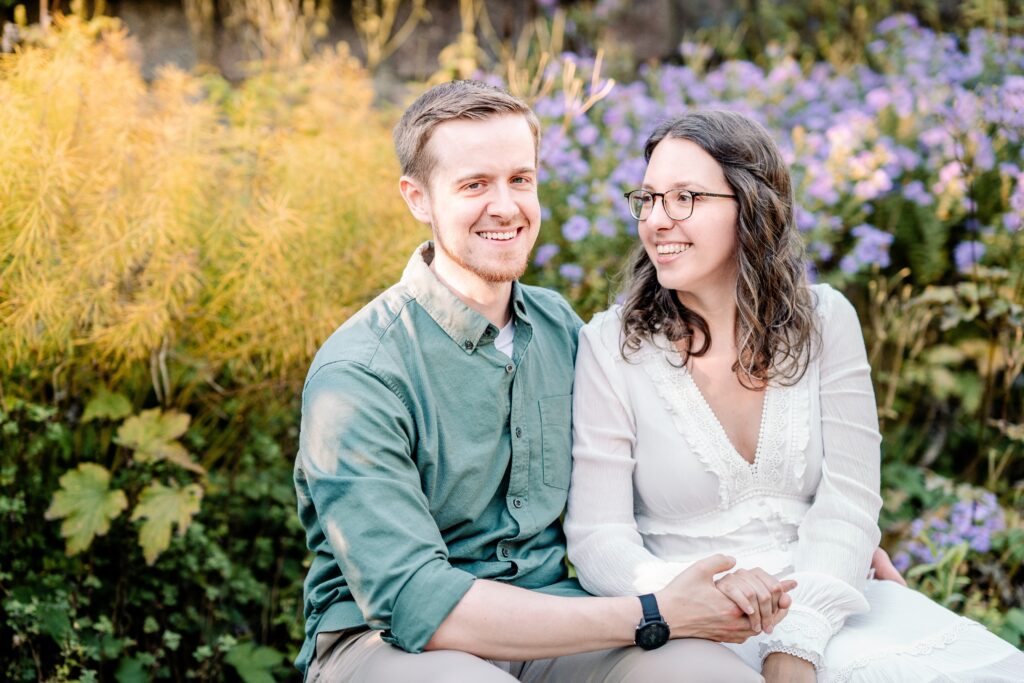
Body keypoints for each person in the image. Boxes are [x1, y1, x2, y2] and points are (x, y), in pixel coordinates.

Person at [293, 81, 786, 682]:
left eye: (520, 180)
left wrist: (801, 536)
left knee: (707, 674)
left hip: (560, 623)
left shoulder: (561, 329)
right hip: (391, 645)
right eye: (474, 185)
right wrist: (651, 615)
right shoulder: (360, 375)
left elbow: (653, 470)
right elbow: (415, 601)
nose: (505, 206)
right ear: (417, 198)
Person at [563, 109, 1024, 682]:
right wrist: (687, 595)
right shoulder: (612, 344)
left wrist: (798, 639)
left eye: (685, 198)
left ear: (752, 207)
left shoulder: (826, 320)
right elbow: (598, 538)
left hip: (827, 604)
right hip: (689, 624)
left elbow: (850, 503)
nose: (657, 219)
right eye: (649, 198)